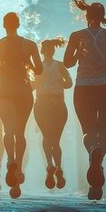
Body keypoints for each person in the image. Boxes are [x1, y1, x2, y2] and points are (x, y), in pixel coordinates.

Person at [63, 0, 106, 201]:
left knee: (88, 130)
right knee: (105, 128)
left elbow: (67, 62)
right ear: (102, 17)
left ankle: (93, 151)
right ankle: (98, 164)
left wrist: (80, 54)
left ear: (86, 16)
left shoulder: (76, 36)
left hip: (84, 88)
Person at [0, 12, 42, 199]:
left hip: (4, 92)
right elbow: (39, 70)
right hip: (23, 92)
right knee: (20, 132)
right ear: (18, 24)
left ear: (4, 25)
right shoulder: (30, 45)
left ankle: (10, 161)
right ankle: (17, 172)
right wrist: (29, 65)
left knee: (8, 130)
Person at [33, 37, 73, 190]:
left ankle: (49, 164)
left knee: (46, 136)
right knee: (56, 140)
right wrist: (58, 83)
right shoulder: (61, 66)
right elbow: (69, 83)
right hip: (58, 104)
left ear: (42, 52)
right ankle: (59, 167)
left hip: (42, 104)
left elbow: (32, 85)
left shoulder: (37, 67)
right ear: (54, 50)